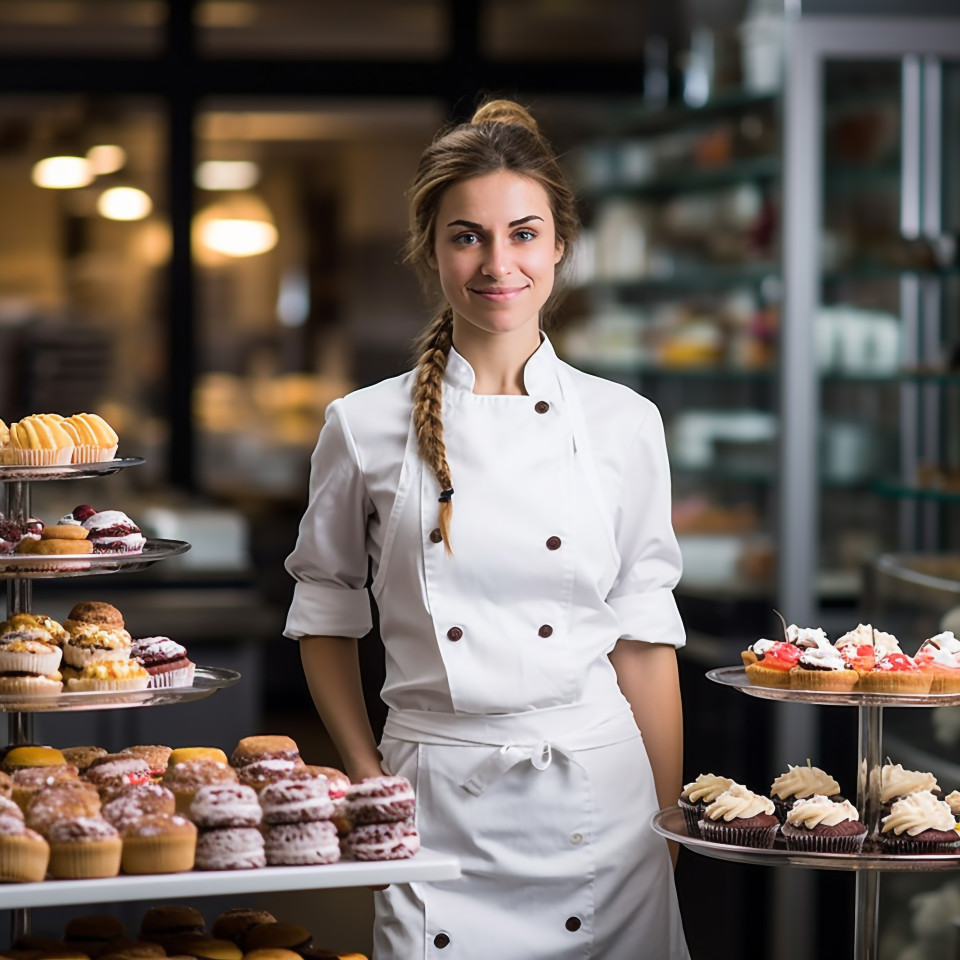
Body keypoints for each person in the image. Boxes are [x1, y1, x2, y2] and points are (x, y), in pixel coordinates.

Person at [284, 99, 690, 960]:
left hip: (603, 813)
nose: (497, 262)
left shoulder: (626, 422)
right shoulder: (362, 425)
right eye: (467, 235)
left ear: (559, 248)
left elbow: (646, 638)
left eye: (523, 234)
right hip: (433, 804)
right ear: (431, 254)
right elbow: (324, 615)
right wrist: (369, 781)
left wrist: (669, 821)